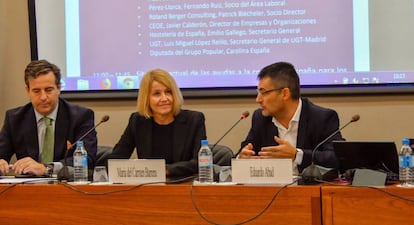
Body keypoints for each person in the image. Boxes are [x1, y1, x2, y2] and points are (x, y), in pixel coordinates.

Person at [238, 61, 344, 174]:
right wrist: (242, 158)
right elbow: (244, 151)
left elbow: (337, 158)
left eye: (264, 93)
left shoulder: (321, 118)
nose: (258, 99)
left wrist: (296, 155)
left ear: (285, 93)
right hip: (271, 188)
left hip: (309, 188)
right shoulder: (260, 119)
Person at [0, 59, 97, 176]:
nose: (43, 97)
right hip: (28, 188)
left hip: (67, 187)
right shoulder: (15, 119)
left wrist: (46, 168)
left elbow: (88, 160)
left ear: (59, 88)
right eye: (36, 91)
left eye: (48, 90)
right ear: (28, 91)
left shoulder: (81, 117)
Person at [107, 69, 206, 177]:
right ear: (146, 99)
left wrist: (164, 170)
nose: (164, 99)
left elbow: (200, 163)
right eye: (156, 94)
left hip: (183, 185)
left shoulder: (194, 120)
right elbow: (115, 160)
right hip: (148, 188)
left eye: (168, 92)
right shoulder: (138, 121)